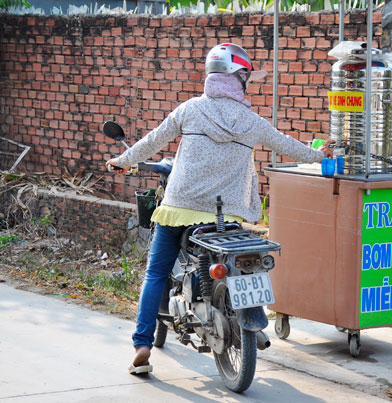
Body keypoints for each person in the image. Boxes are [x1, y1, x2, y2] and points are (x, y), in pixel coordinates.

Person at [106, 43, 334, 374]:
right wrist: (320, 154)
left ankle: (142, 345)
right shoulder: (251, 121)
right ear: (237, 78)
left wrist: (122, 161)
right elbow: (288, 146)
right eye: (246, 77)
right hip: (225, 216)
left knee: (155, 273)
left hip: (179, 208)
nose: (248, 83)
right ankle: (245, 321)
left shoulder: (190, 110)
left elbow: (153, 141)